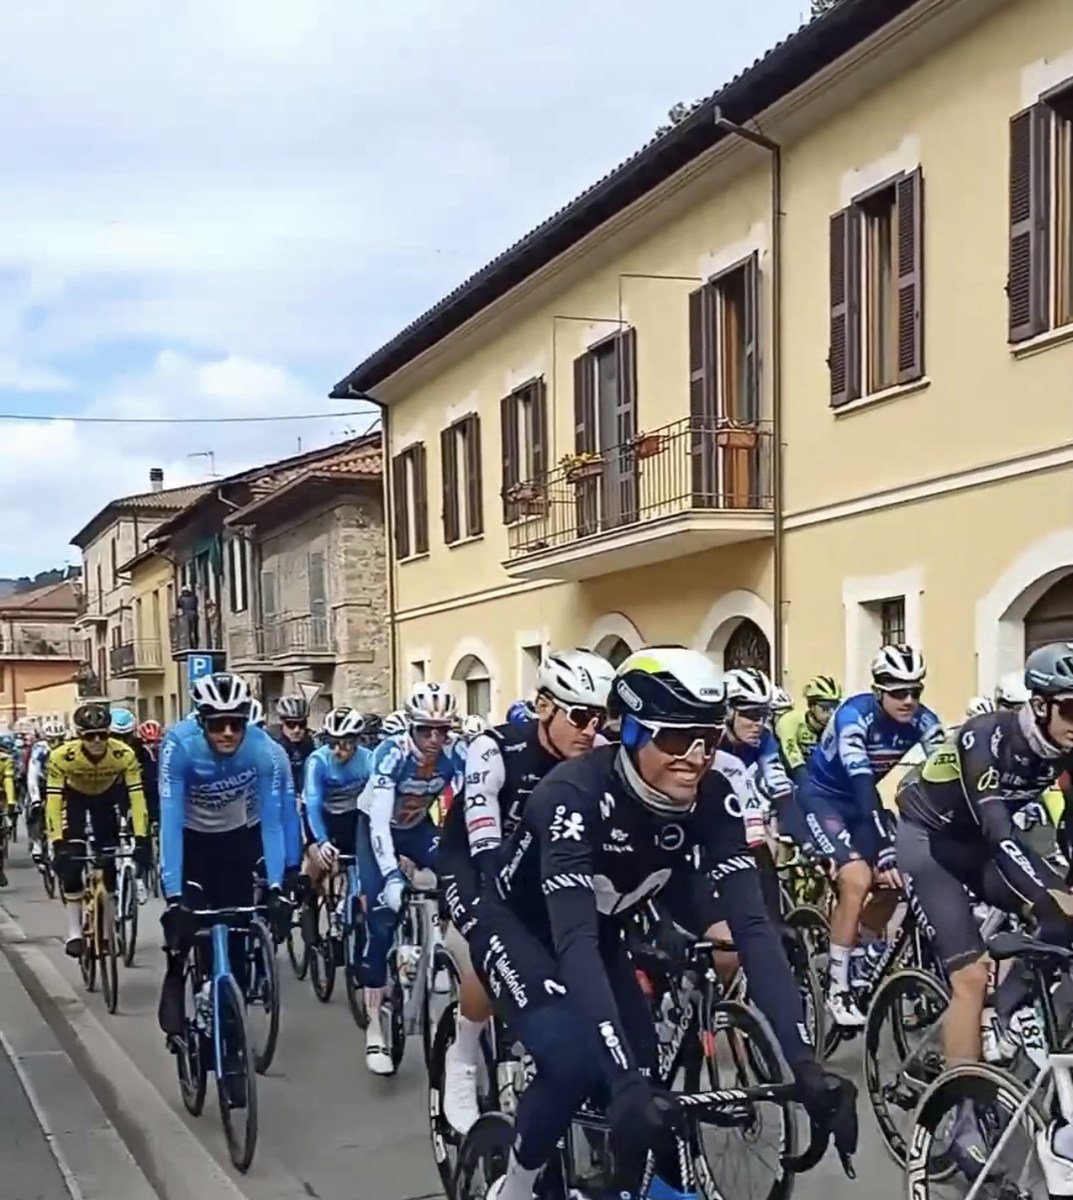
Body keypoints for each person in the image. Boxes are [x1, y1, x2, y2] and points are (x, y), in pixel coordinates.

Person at [469, 647, 853, 1200]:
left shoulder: (713, 797)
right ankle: (516, 1188)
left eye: (709, 737)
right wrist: (620, 1080)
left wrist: (804, 1064)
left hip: (600, 929)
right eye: (674, 738)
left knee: (645, 1073)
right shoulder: (573, 795)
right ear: (628, 734)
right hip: (520, 927)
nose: (695, 757)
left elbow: (753, 928)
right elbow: (572, 940)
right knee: (576, 1060)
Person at [894, 643, 1073, 1177]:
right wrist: (1048, 895)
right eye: (1071, 708)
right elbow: (1000, 832)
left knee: (1056, 929)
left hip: (979, 851)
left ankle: (1007, 1008)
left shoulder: (1063, 746)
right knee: (971, 974)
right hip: (930, 845)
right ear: (1040, 706)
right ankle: (961, 1122)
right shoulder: (988, 736)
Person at [439, 649, 614, 1134]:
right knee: (487, 945)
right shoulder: (495, 748)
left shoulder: (599, 758)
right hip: (472, 864)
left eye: (600, 718)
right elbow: (482, 834)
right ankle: (464, 1056)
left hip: (539, 870)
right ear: (544, 707)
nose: (590, 729)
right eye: (579, 715)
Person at [801, 643, 944, 1027]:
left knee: (900, 878)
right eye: (898, 692)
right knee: (858, 877)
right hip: (825, 799)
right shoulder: (853, 716)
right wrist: (883, 847)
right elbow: (864, 788)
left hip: (863, 804)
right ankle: (837, 986)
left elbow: (946, 775)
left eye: (916, 691)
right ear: (878, 691)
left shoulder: (924, 721)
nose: (909, 700)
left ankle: (860, 946)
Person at [156, 672, 289, 1036]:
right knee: (188, 928)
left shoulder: (263, 750)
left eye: (236, 723)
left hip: (234, 840)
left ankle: (233, 1012)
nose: (228, 732)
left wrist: (277, 886)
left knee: (238, 932)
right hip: (191, 842)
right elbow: (168, 821)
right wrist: (173, 898)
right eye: (217, 724)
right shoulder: (179, 746)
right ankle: (177, 971)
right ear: (201, 723)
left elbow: (272, 823)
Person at [358, 682, 465, 1075]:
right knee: (382, 918)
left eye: (443, 729)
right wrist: (389, 874)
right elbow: (380, 824)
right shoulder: (392, 753)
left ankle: (435, 946)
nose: (435, 738)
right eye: (425, 729)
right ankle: (374, 1029)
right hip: (377, 829)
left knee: (455, 876)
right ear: (411, 729)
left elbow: (471, 805)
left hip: (418, 827)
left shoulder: (456, 752)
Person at [46, 703, 150, 956]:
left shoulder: (123, 754)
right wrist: (57, 841)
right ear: (79, 735)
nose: (96, 741)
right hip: (75, 801)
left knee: (109, 862)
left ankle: (106, 930)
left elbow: (137, 798)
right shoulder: (62, 757)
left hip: (106, 800)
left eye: (102, 735)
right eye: (89, 736)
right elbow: (54, 801)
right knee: (72, 865)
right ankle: (74, 932)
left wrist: (142, 837)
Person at [302, 707, 373, 942]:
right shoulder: (318, 761)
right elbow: (312, 803)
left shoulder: (368, 760)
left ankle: (352, 906)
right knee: (316, 860)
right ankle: (308, 903)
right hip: (322, 814)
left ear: (356, 741)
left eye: (344, 744)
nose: (337, 750)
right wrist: (321, 841)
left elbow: (376, 801)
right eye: (332, 742)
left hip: (353, 815)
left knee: (361, 864)